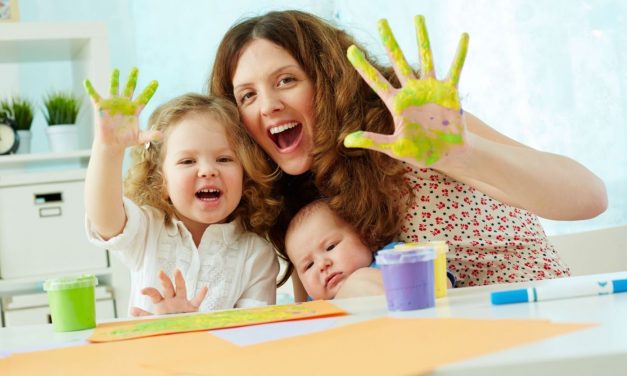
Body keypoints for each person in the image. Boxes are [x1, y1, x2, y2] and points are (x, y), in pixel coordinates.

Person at [210, 11, 607, 300]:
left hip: (541, 324)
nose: (268, 105)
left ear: (328, 81)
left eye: (286, 80)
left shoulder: (407, 123)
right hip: (439, 351)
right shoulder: (297, 200)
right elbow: (318, 319)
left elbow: (589, 197)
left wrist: (460, 154)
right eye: (247, 95)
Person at [84, 68, 281, 315]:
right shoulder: (148, 230)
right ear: (161, 180)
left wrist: (186, 325)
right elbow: (104, 219)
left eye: (224, 159)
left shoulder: (256, 255)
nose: (208, 171)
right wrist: (107, 150)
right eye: (188, 162)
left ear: (246, 173)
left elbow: (255, 335)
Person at [285, 199, 454, 300]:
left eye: (330, 247)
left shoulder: (390, 259)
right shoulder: (314, 306)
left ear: (365, 235)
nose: (322, 265)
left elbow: (440, 282)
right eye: (308, 266)